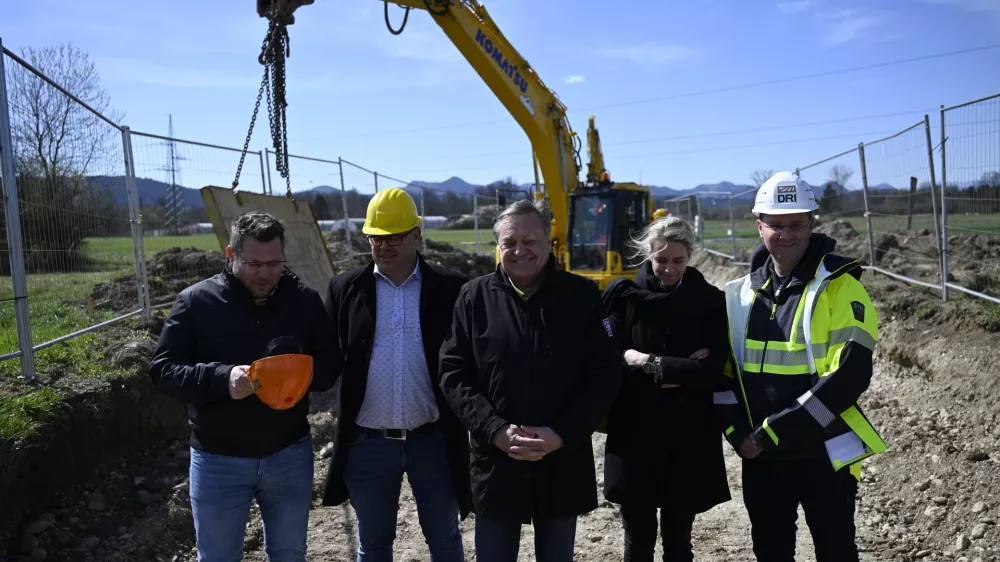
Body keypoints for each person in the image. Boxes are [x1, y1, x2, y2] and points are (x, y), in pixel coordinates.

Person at [715, 171, 886, 562]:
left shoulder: (841, 286)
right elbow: (723, 378)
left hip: (822, 453)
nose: (786, 234)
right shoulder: (738, 294)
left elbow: (851, 376)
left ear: (813, 223)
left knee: (836, 551)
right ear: (760, 227)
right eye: (776, 225)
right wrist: (736, 432)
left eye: (796, 224)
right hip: (761, 456)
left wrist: (775, 431)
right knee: (771, 553)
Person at [438, 199, 622, 562]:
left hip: (560, 459)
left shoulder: (581, 296)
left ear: (548, 242)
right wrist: (495, 430)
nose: (519, 250)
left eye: (530, 240)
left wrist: (562, 433)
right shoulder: (473, 297)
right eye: (509, 242)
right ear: (498, 247)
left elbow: (604, 374)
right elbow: (453, 373)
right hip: (497, 461)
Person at [149, 211, 338, 562]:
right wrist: (221, 379)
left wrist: (304, 373)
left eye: (275, 263)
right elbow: (162, 370)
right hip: (219, 459)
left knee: (289, 554)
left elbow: (330, 363)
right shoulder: (196, 303)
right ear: (231, 254)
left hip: (289, 456)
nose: (266, 273)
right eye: (255, 264)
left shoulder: (303, 301)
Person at [320, 187, 472, 562]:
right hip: (369, 444)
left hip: (433, 440)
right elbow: (324, 356)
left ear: (416, 235)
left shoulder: (452, 288)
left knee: (445, 538)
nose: (383, 246)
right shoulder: (346, 289)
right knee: (373, 544)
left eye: (394, 238)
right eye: (375, 238)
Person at [599, 216, 731, 562]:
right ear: (648, 254)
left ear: (691, 256)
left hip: (687, 437)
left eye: (678, 261)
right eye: (660, 260)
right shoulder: (623, 298)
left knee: (678, 541)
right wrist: (679, 368)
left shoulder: (710, 303)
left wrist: (646, 361)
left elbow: (711, 370)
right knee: (637, 541)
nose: (668, 269)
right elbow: (608, 361)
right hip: (634, 435)